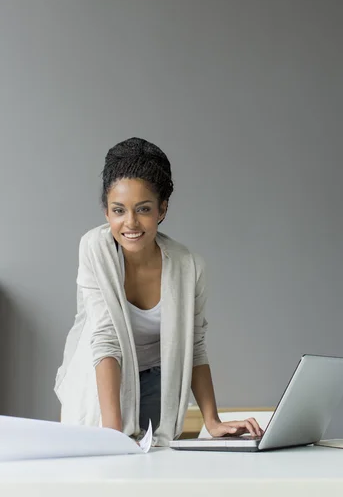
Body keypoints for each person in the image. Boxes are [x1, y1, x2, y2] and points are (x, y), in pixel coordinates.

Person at [55, 137, 263, 445]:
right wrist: (113, 433)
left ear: (162, 210)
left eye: (143, 209)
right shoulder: (94, 249)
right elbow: (105, 339)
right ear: (106, 212)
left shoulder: (189, 267)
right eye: (118, 210)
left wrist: (213, 421)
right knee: (103, 472)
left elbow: (195, 346)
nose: (130, 222)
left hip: (156, 380)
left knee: (153, 470)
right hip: (101, 381)